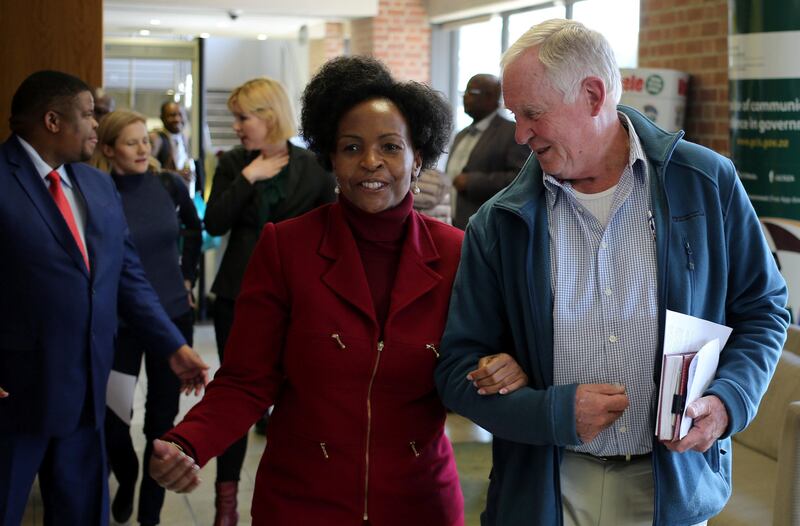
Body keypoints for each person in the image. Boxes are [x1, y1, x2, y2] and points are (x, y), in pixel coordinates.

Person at [435, 19, 790, 526]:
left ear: (593, 94)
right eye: (515, 116)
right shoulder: (499, 223)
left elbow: (764, 309)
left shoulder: (706, 183)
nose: (519, 134)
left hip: (673, 488)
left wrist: (731, 399)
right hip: (545, 492)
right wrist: (553, 413)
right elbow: (456, 371)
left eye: (532, 113)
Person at [149, 56, 528, 525]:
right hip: (301, 501)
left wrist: (506, 365)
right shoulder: (285, 248)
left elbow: (487, 359)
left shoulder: (458, 253)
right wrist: (189, 441)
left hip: (419, 502)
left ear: (419, 159)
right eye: (351, 147)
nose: (371, 162)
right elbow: (247, 380)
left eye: (390, 146)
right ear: (330, 156)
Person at [0, 70, 208, 525]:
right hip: (15, 396)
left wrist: (171, 344)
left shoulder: (96, 186)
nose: (98, 125)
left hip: (84, 394)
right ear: (53, 121)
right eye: (89, 115)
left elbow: (127, 276)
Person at [200, 76, 336, 525]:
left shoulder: (314, 165)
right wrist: (246, 178)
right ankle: (226, 503)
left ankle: (298, 494)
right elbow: (215, 223)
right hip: (237, 294)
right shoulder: (233, 163)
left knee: (299, 396)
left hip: (298, 298)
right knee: (237, 394)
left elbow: (327, 232)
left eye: (242, 118)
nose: (237, 127)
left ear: (269, 116)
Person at [89, 109, 203, 526]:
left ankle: (149, 517)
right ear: (107, 149)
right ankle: (128, 472)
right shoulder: (97, 191)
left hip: (172, 320)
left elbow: (194, 231)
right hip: (120, 325)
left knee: (161, 425)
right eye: (130, 142)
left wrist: (188, 278)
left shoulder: (169, 184)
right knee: (116, 421)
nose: (142, 148)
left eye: (145, 140)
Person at [445, 73, 529, 229]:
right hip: (455, 223)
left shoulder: (511, 132)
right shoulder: (461, 135)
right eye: (465, 92)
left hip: (487, 227)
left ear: (491, 98)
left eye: (472, 92)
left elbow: (521, 179)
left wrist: (473, 182)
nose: (465, 97)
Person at [150, 101, 195, 192]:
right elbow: (148, 169)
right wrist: (175, 175)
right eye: (172, 115)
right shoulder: (157, 138)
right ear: (162, 118)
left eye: (180, 115)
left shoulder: (183, 138)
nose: (177, 119)